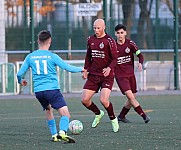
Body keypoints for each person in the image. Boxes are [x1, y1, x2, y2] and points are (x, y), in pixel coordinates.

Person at [17, 30, 84, 143]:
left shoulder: (30, 57)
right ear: (50, 41)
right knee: (65, 114)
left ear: (38, 41)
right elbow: (67, 67)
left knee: (48, 109)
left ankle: (54, 135)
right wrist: (81, 69)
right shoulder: (52, 56)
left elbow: (19, 73)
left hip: (39, 92)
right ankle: (62, 132)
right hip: (52, 90)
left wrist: (21, 80)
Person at [81, 19, 119, 132]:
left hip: (107, 75)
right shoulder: (90, 39)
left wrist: (109, 68)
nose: (96, 30)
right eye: (94, 28)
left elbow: (115, 59)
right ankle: (98, 113)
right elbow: (88, 56)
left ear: (104, 27)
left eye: (98, 28)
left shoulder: (110, 41)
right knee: (84, 100)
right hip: (93, 74)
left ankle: (113, 119)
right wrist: (86, 69)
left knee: (103, 100)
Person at [114, 24, 150, 123]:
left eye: (122, 33)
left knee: (132, 97)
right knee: (130, 96)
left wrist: (140, 63)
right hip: (120, 76)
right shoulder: (113, 46)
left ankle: (121, 116)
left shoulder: (130, 44)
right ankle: (144, 115)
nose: (120, 35)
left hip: (130, 74)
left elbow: (140, 55)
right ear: (115, 34)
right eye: (118, 33)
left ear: (125, 33)